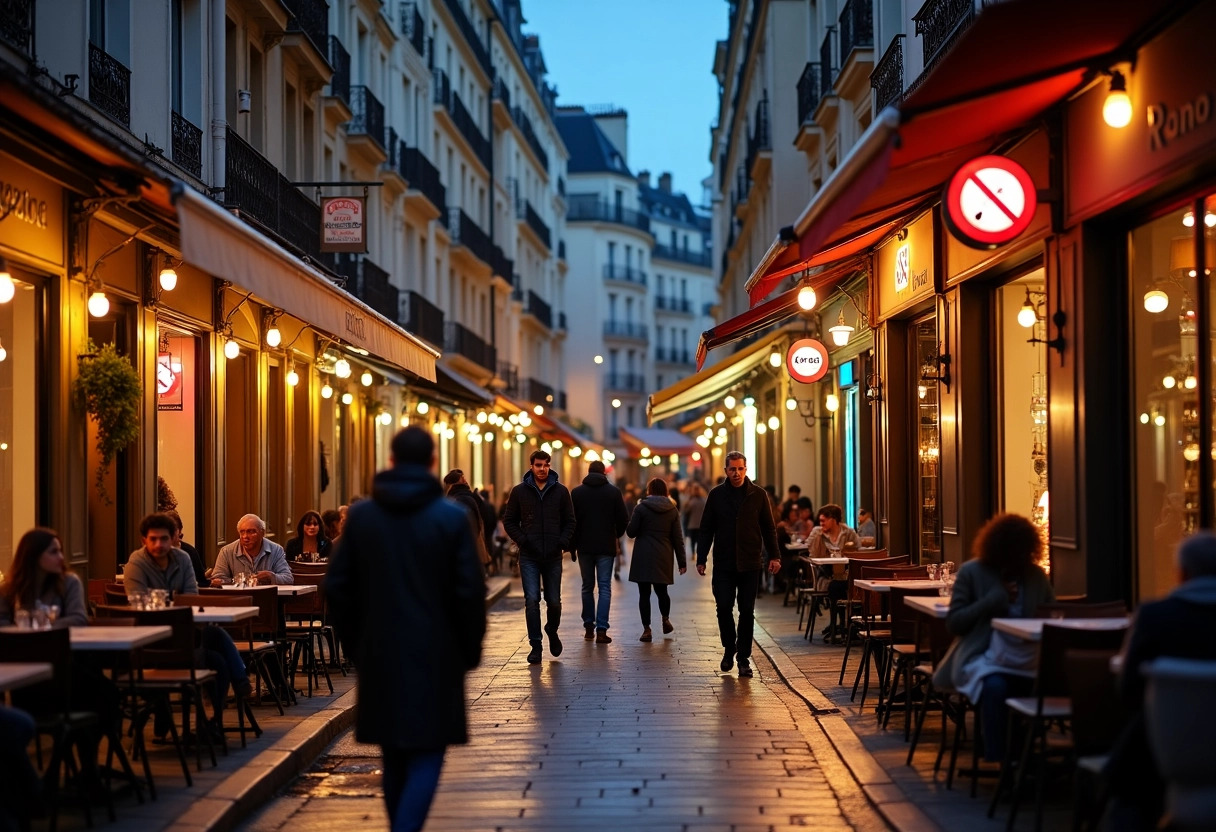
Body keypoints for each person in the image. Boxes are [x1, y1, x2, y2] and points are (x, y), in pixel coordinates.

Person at [328, 427, 485, 832]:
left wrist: (357, 648)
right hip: (438, 654)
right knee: (428, 749)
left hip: (380, 653)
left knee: (393, 751)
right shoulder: (450, 519)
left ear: (392, 462)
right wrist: (467, 653)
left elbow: (338, 589)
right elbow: (469, 593)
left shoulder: (362, 518)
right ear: (433, 464)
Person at [1104, 531, 1216, 830]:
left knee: (1126, 789)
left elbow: (1127, 689)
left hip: (1164, 750)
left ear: (1182, 574)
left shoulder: (1155, 617)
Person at [932, 513, 1054, 762]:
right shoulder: (972, 573)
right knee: (995, 687)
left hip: (1028, 657)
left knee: (1039, 688)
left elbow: (1052, 614)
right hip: (984, 655)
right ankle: (1001, 758)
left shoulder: (1035, 577)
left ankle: (1025, 754)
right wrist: (992, 602)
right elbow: (955, 623)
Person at [124, 513, 253, 735]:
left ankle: (210, 724)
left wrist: (170, 601)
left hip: (185, 637)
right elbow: (140, 606)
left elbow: (191, 598)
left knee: (218, 659)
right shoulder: (136, 564)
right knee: (216, 641)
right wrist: (176, 601)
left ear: (173, 537)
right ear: (143, 540)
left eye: (164, 538)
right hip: (152, 642)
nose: (159, 544)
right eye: (153, 539)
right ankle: (239, 680)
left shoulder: (182, 559)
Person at [695, 451, 781, 678]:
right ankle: (729, 647)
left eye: (740, 469)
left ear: (746, 469)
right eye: (732, 469)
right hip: (724, 562)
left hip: (750, 562)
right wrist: (701, 557)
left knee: (746, 611)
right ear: (726, 471)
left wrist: (775, 556)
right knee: (723, 607)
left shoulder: (758, 495)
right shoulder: (716, 495)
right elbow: (706, 529)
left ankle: (743, 658)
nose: (736, 473)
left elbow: (768, 528)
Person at [502, 449, 576, 664]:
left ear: (549, 466)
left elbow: (570, 521)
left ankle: (551, 630)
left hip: (553, 555)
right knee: (532, 600)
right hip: (529, 556)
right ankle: (536, 645)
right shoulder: (519, 492)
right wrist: (523, 540)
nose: (542, 469)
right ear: (531, 466)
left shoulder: (561, 492)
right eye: (538, 465)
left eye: (545, 465)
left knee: (553, 601)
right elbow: (509, 521)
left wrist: (562, 543)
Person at [570, 460, 628, 644]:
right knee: (604, 587)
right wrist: (615, 535)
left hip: (584, 546)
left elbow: (570, 521)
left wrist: (573, 544)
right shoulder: (613, 492)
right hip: (605, 546)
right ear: (604, 473)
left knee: (587, 586)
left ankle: (589, 626)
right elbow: (623, 519)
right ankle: (601, 629)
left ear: (588, 472)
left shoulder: (577, 493)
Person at [627, 477, 687, 642]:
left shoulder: (641, 508)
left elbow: (631, 532)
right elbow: (677, 538)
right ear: (666, 491)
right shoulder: (672, 510)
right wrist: (682, 562)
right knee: (662, 592)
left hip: (643, 555)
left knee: (644, 594)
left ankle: (647, 629)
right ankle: (665, 618)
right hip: (663, 555)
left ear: (649, 491)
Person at [0, 527, 89, 627]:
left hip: (57, 641)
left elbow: (78, 619)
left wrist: (41, 627)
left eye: (60, 551)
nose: (61, 557)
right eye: (53, 552)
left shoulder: (70, 582)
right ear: (34, 556)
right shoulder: (8, 589)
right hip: (19, 642)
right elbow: (2, 622)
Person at [211, 514, 293, 585]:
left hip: (266, 598)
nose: (245, 537)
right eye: (242, 532)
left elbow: (288, 578)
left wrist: (271, 576)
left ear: (262, 533)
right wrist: (241, 581)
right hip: (238, 599)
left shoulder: (276, 550)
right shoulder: (226, 551)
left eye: (251, 532)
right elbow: (218, 578)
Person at [444, 470, 491, 570]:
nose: (466, 480)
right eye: (463, 478)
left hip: (465, 548)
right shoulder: (467, 498)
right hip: (471, 547)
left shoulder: (458, 499)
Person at [164, 509, 207, 586]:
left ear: (180, 531)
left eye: (172, 530)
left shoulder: (190, 552)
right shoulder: (154, 551)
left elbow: (202, 581)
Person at [681, 482, 706, 553]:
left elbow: (686, 511)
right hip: (701, 524)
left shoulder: (691, 501)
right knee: (699, 540)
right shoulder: (703, 501)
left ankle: (693, 553)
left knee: (693, 540)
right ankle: (698, 552)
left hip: (692, 524)